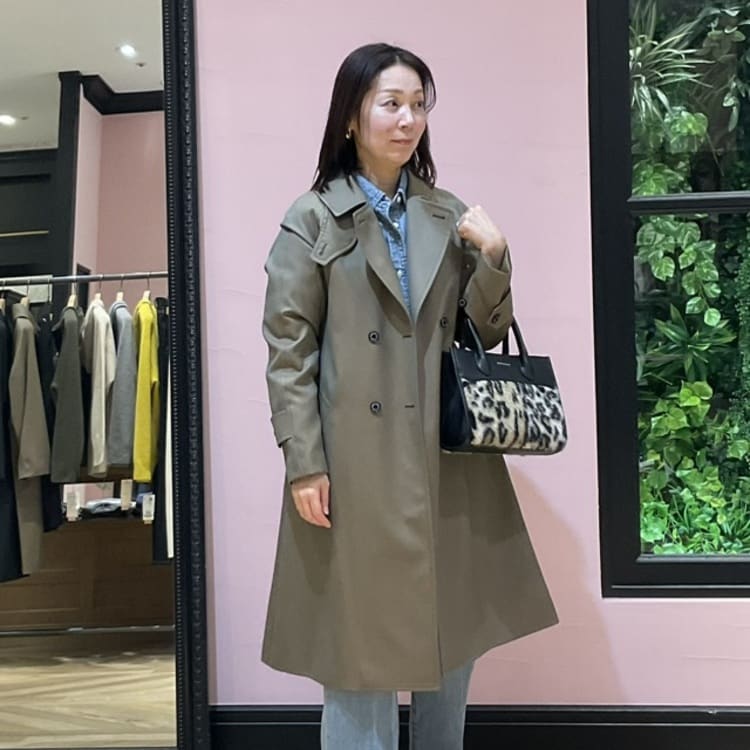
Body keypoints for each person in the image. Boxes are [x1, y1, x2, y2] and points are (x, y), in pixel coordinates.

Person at [262, 42, 558, 750]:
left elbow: (485, 332)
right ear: (350, 116)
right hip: (354, 465)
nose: (407, 120)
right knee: (357, 652)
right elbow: (289, 351)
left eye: (418, 105)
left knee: (450, 640)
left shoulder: (445, 213)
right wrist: (304, 462)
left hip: (442, 462)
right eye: (390, 103)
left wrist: (494, 258)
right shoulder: (312, 218)